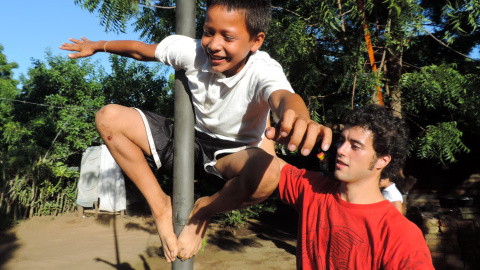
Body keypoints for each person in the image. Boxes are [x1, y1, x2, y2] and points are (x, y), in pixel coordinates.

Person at [60, 0, 332, 263]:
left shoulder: (262, 69)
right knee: (108, 118)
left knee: (270, 172)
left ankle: (203, 211)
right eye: (208, 32)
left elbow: (283, 97)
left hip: (232, 154)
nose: (214, 44)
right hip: (187, 140)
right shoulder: (190, 51)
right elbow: (140, 50)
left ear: (256, 41)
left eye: (228, 37)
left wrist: (299, 117)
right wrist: (97, 46)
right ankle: (160, 205)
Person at [276, 104, 434, 269]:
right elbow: (265, 159)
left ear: (382, 160)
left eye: (355, 146)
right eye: (341, 141)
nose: (341, 150)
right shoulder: (313, 189)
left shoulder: (402, 237)